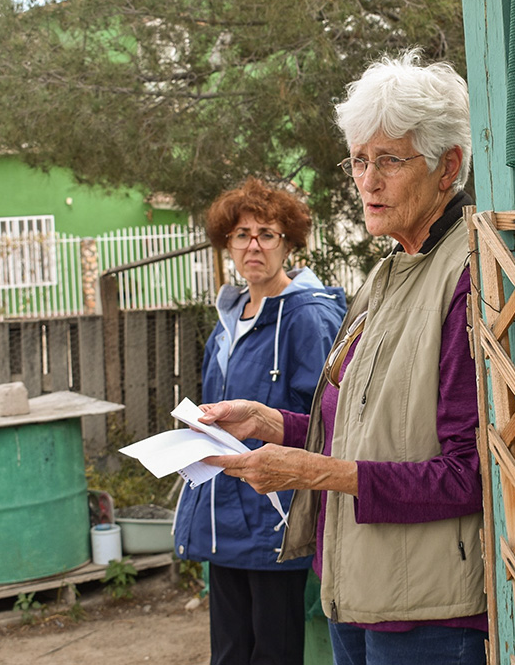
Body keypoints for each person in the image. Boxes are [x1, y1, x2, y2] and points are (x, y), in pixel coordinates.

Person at [198, 50, 488, 664]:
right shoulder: (387, 273)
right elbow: (368, 432)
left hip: (430, 613)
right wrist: (272, 423)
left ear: (448, 167)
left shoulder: (469, 274)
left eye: (389, 159)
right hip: (353, 591)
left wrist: (310, 472)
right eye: (358, 160)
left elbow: (470, 475)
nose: (368, 180)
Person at [173, 177, 347, 665]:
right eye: (242, 234)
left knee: (275, 652)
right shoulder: (227, 320)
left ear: (287, 243)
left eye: (267, 234)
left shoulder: (307, 317)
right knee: (230, 652)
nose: (254, 245)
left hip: (274, 514)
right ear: (226, 243)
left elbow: (326, 420)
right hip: (221, 516)